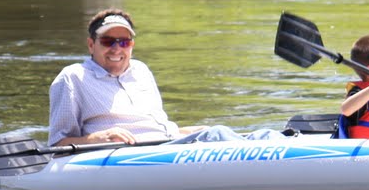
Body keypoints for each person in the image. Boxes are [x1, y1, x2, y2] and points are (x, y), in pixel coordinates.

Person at [49, 9, 247, 147]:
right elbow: (58, 144)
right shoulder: (72, 77)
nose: (117, 48)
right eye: (108, 41)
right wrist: (100, 137)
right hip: (128, 155)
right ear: (91, 45)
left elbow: (156, 128)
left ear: (132, 45)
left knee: (258, 135)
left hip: (167, 145)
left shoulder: (141, 71)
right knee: (218, 134)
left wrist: (192, 131)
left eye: (124, 42)